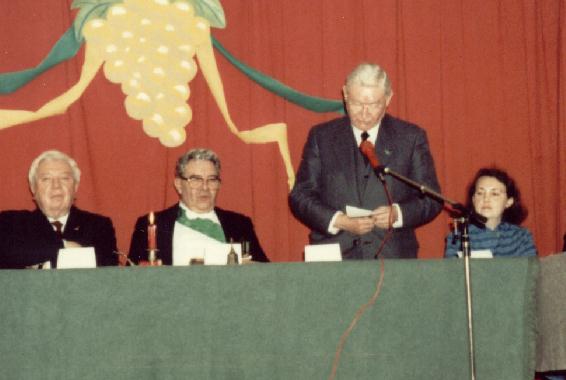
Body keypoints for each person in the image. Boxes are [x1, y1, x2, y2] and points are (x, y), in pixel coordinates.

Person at [289, 63, 442, 259]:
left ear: (388, 99)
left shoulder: (410, 137)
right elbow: (300, 195)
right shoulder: (321, 137)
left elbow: (432, 198)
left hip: (392, 257)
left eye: (373, 105)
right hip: (334, 256)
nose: (364, 112)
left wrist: (397, 214)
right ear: (345, 94)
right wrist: (339, 220)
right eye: (356, 103)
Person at [128, 148, 269, 264]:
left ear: (219, 184)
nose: (205, 187)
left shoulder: (239, 225)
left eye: (212, 180)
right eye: (196, 180)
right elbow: (132, 278)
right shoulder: (151, 225)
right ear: (178, 184)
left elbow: (266, 272)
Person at [0, 150, 118, 268]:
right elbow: (6, 253)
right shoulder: (11, 223)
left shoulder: (99, 226)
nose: (56, 186)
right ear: (33, 187)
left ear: (75, 186)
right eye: (46, 179)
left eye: (64, 178)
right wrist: (64, 246)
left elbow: (108, 272)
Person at [445, 167, 537, 257]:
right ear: (473, 199)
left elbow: (531, 270)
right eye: (480, 193)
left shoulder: (521, 237)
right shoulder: (457, 237)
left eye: (494, 194)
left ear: (509, 202)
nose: (486, 199)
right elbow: (451, 271)